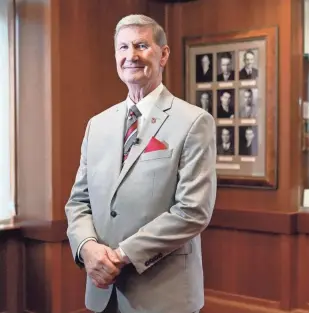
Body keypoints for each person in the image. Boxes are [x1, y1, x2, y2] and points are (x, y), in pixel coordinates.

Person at [64, 14, 217, 313]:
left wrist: (121, 256)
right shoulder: (98, 124)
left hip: (163, 296)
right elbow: (79, 202)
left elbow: (193, 211)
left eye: (141, 45)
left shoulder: (194, 122)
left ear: (164, 54)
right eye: (122, 48)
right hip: (102, 292)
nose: (131, 56)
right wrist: (87, 248)